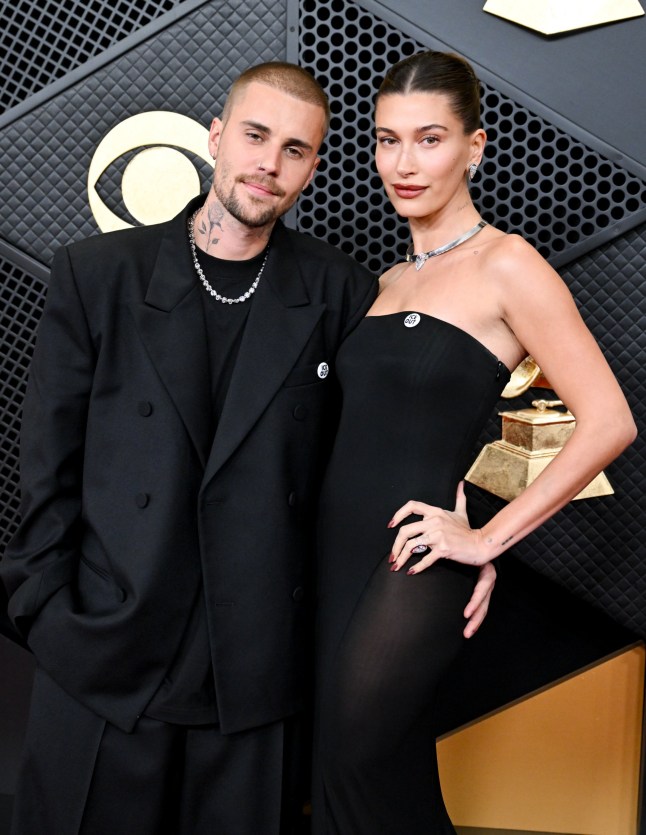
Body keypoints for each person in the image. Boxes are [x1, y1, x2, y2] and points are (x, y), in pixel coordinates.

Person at [0, 61, 493, 835]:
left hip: (252, 681)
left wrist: (474, 534)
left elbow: (406, 420)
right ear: (217, 138)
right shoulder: (98, 276)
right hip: (103, 666)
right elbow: (45, 473)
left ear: (315, 167)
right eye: (256, 136)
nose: (270, 162)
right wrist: (52, 621)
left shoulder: (339, 291)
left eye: (295, 149)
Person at [313, 50, 636, 835]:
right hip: (332, 558)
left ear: (476, 147)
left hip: (413, 562)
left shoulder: (508, 264)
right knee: (365, 783)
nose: (403, 163)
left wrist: (487, 536)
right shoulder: (383, 282)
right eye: (387, 140)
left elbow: (610, 420)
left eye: (429, 139)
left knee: (352, 767)